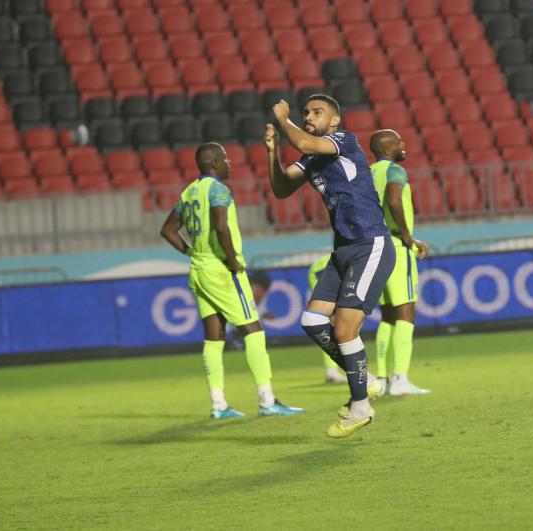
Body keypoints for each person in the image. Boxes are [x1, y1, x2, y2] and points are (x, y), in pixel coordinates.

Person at [265, 94, 394, 438]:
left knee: (344, 330)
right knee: (312, 320)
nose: (309, 116)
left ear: (334, 121)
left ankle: (361, 406)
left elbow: (305, 141)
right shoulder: (311, 158)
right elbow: (281, 189)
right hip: (343, 250)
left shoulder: (343, 141)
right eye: (306, 112)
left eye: (317, 112)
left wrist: (284, 120)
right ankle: (367, 380)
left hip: (369, 244)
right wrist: (272, 152)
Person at [160, 143, 304, 420]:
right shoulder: (218, 190)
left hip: (199, 270)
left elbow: (168, 230)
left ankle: (219, 405)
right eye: (225, 158)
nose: (230, 163)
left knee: (214, 338)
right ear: (213, 163)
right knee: (254, 331)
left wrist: (192, 252)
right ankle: (267, 401)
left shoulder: (189, 192)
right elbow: (220, 225)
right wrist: (233, 260)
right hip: (222, 270)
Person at [369, 129, 432, 396]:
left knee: (387, 315)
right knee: (406, 311)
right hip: (395, 246)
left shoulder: (367, 174)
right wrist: (407, 236)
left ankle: (383, 379)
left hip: (373, 247)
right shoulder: (395, 171)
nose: (403, 145)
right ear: (386, 148)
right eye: (398, 142)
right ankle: (400, 379)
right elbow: (394, 201)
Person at [308, 254, 348, 384]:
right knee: (334, 322)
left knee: (334, 322)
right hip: (324, 270)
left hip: (322, 270)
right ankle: (333, 371)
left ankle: (332, 370)